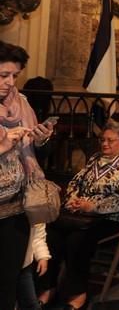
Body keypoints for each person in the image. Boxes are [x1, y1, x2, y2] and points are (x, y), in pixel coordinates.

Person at [37, 119, 119, 310]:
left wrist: (94, 207)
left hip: (110, 217)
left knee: (77, 240)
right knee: (50, 233)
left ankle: (78, 294)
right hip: (80, 215)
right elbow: (75, 183)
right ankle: (48, 288)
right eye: (103, 140)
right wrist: (73, 199)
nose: (104, 144)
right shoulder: (95, 158)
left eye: (111, 140)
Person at [0, 41, 53, 310]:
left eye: (14, 75)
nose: (10, 82)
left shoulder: (22, 103)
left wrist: (40, 139)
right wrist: (3, 145)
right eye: (3, 75)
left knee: (8, 285)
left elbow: (30, 149)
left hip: (18, 207)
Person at [16, 223, 50, 310]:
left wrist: (42, 256)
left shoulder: (34, 211)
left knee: (30, 303)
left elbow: (38, 235)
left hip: (24, 265)